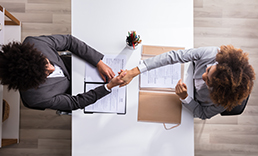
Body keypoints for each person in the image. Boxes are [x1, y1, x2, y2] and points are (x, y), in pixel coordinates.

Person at [119, 45, 255, 119]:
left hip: (185, 103)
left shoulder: (223, 102)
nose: (203, 75)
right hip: (183, 73)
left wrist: (185, 98)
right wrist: (134, 72)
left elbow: (203, 114)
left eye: (208, 82)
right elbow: (175, 56)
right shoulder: (212, 54)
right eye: (208, 70)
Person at [0, 34, 126, 112]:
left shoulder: (35, 43)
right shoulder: (35, 98)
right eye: (46, 74)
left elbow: (69, 41)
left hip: (79, 65)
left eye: (47, 62)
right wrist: (108, 87)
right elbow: (74, 103)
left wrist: (98, 62)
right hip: (76, 92)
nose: (52, 69)